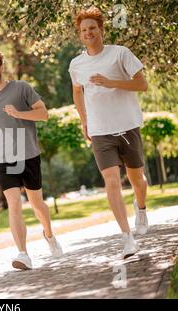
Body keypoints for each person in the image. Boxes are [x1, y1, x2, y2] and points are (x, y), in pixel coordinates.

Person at [68, 7, 149, 259]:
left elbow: (142, 84)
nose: (88, 33)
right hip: (100, 131)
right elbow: (77, 91)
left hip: (127, 125)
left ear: (101, 30)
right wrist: (84, 122)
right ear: (80, 35)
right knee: (111, 181)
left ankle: (142, 208)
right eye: (84, 30)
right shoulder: (76, 64)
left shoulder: (120, 54)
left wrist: (111, 82)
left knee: (137, 180)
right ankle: (127, 238)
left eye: (92, 28)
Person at [0, 51, 63, 270]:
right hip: (3, 158)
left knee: (37, 205)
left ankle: (49, 235)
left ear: (1, 66)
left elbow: (43, 114)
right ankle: (23, 254)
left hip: (29, 154)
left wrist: (18, 113)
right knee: (14, 204)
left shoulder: (21, 88)